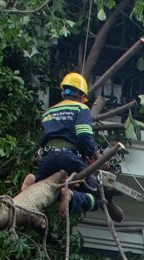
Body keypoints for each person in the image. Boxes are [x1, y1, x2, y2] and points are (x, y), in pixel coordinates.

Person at [28, 72, 117, 220]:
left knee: (45, 187)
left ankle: (34, 179)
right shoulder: (81, 109)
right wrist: (96, 156)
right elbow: (83, 136)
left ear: (64, 92)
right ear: (82, 96)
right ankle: (70, 195)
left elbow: (43, 137)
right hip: (69, 157)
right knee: (94, 196)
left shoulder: (49, 112)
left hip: (47, 157)